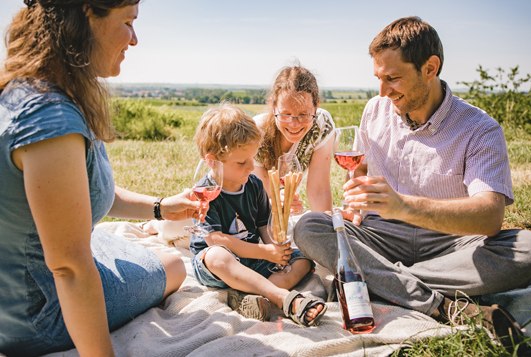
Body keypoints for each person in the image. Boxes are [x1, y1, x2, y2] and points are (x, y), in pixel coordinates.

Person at [293, 16, 531, 351]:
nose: (382, 91)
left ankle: (373, 279)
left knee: (529, 250)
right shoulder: (375, 110)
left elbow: (490, 217)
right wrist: (358, 190)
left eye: (393, 78)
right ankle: (444, 306)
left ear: (430, 68)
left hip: (453, 245)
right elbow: (361, 166)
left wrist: (405, 206)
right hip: (381, 235)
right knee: (310, 226)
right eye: (378, 78)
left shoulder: (480, 129)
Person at [0, 1, 206, 356]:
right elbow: (69, 267)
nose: (135, 39)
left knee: (109, 247)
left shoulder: (23, 91)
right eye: (128, 21)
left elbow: (78, 195)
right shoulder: (50, 119)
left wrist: (161, 208)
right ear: (85, 16)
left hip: (17, 284)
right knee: (173, 265)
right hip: (35, 316)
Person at [189, 104, 327, 326]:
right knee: (217, 256)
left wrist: (276, 251)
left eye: (252, 159)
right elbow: (215, 239)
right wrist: (264, 252)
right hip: (218, 265)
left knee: (301, 260)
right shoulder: (204, 192)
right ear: (212, 160)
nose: (250, 167)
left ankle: (250, 298)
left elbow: (263, 225)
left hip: (254, 257)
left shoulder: (253, 184)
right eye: (242, 162)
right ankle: (281, 297)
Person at [254, 65, 335, 213]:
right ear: (273, 107)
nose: (294, 124)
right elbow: (259, 201)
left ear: (316, 107)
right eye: (286, 114)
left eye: (304, 114)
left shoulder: (322, 125)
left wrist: (326, 229)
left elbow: (318, 189)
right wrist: (277, 203)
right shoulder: (255, 134)